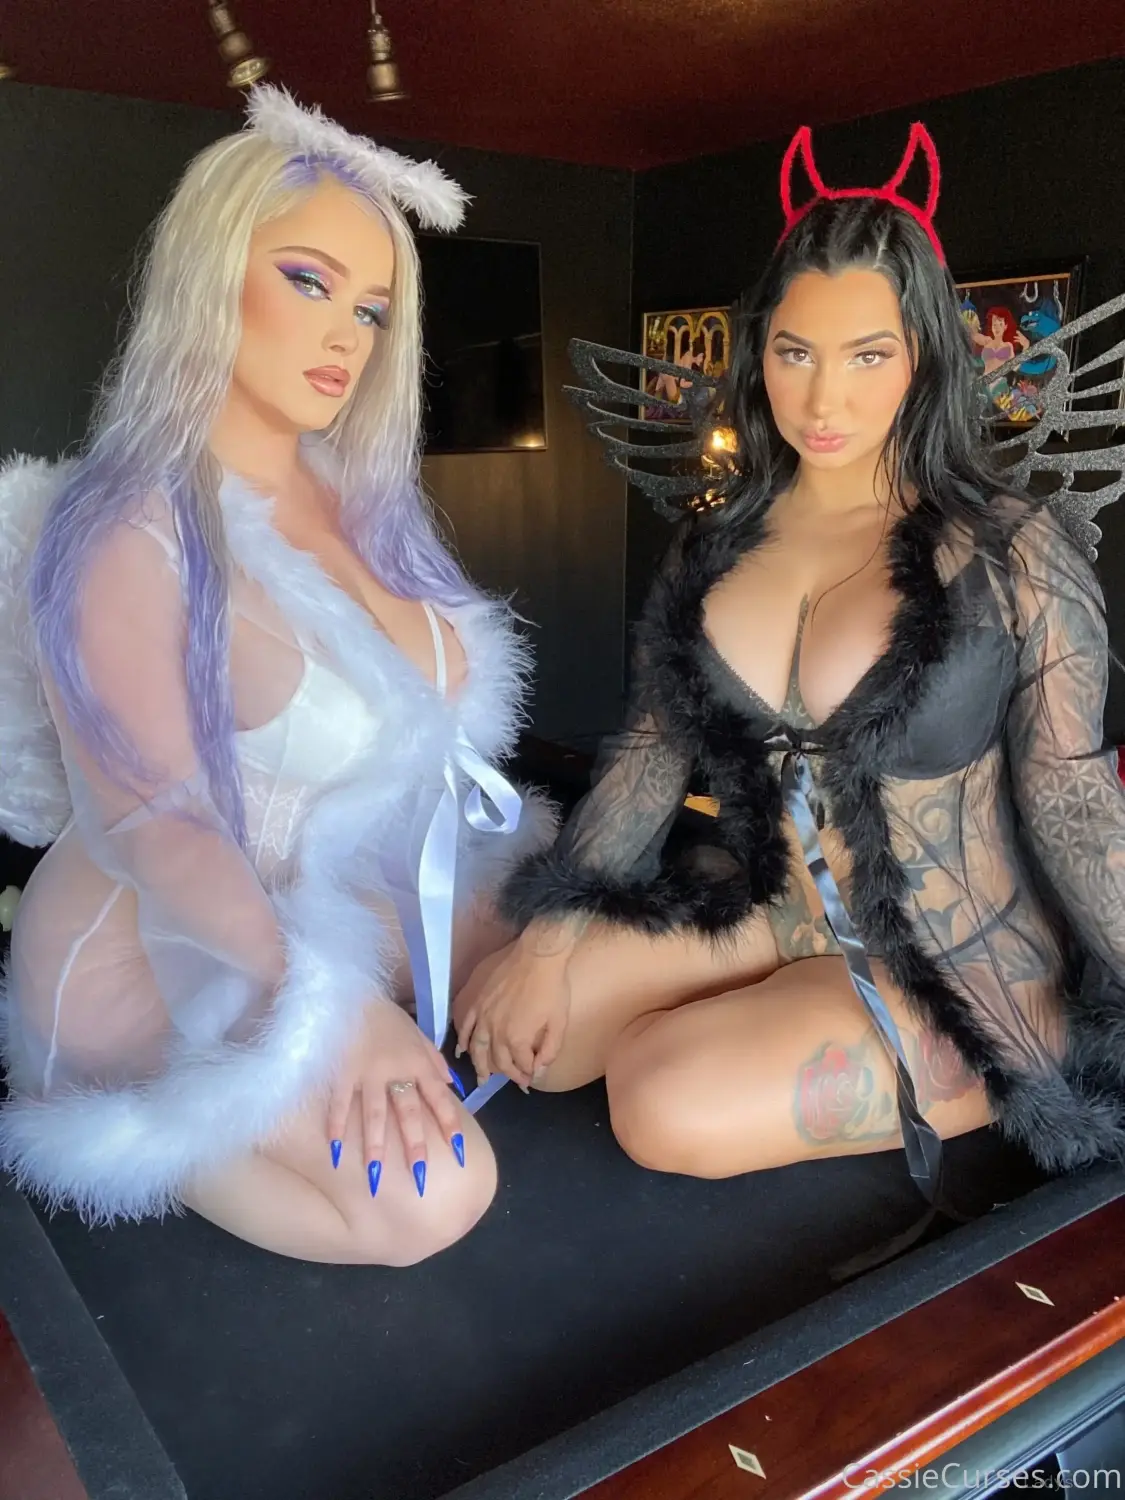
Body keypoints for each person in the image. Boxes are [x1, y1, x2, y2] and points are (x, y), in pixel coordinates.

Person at [456, 123, 1125, 1221]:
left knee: (658, 1097)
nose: (823, 401)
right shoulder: (716, 540)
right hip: (774, 909)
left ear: (923, 355)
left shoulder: (1013, 548)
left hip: (959, 963)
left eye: (868, 355)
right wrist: (552, 935)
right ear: (757, 349)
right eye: (795, 352)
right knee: (536, 1013)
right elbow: (651, 752)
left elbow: (1070, 796)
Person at [0, 87, 553, 1265]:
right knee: (433, 1195)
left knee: (564, 986)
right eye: (308, 281)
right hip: (159, 942)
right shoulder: (127, 529)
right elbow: (153, 823)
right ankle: (118, 1101)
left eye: (372, 309)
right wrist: (333, 1010)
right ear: (212, 277)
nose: (348, 336)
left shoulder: (365, 504)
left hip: (328, 897)